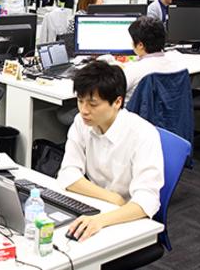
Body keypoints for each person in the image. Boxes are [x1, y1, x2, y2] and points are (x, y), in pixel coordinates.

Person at [58, 61, 164, 242]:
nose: (84, 111)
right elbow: (68, 174)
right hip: (99, 205)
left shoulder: (143, 134)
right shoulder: (81, 122)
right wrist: (111, 198)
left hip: (127, 218)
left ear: (117, 102)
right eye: (80, 101)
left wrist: (101, 220)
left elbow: (147, 200)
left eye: (93, 104)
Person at [120, 16, 182, 104]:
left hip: (134, 111)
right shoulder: (176, 65)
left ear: (140, 45)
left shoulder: (133, 70)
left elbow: (110, 93)